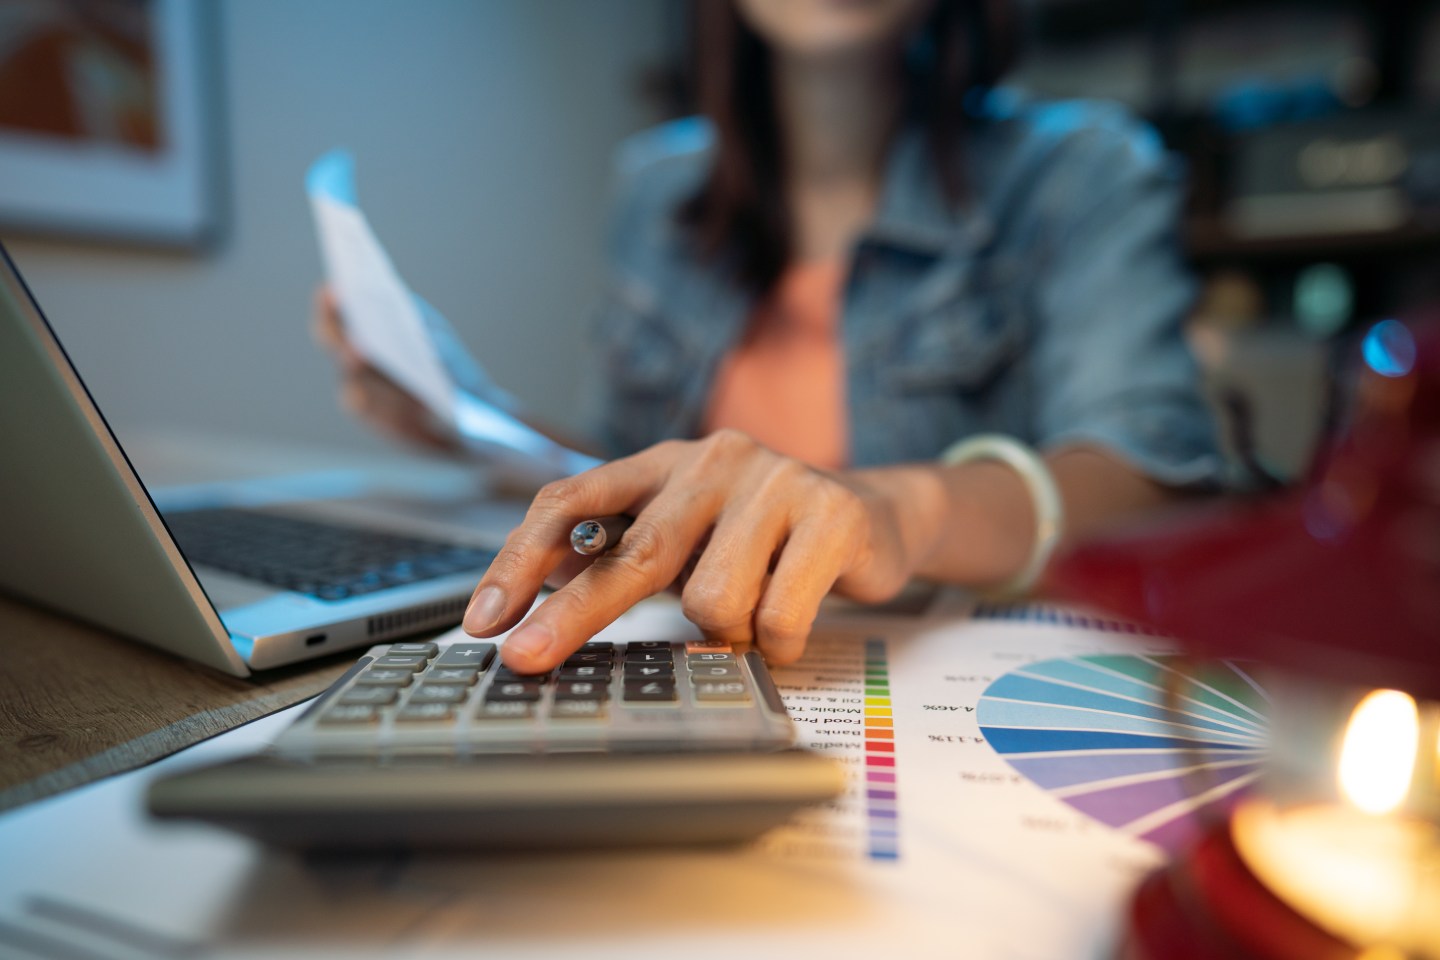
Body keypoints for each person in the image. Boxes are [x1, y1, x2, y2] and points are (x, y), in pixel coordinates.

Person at [316, 0, 1225, 675]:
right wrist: (471, 418)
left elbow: (1148, 480)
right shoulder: (656, 189)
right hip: (697, 669)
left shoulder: (1081, 172)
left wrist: (896, 509)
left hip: (953, 689)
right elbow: (646, 482)